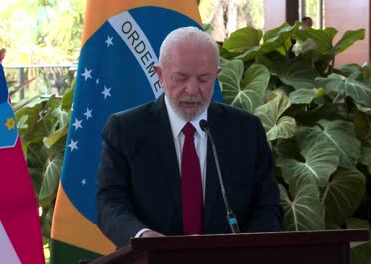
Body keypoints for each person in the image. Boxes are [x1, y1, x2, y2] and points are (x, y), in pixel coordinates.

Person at [96, 26, 283, 248]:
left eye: (204, 79)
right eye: (180, 78)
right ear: (160, 75)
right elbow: (110, 203)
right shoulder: (126, 130)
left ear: (217, 75)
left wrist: (240, 249)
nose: (192, 90)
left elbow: (268, 206)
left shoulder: (247, 130)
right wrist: (142, 236)